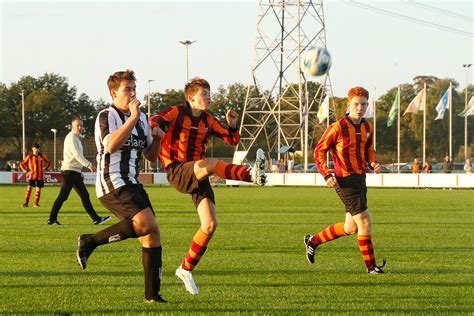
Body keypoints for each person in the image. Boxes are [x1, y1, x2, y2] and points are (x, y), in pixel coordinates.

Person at [149, 77, 266, 295]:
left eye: (209, 94)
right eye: (204, 94)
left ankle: (185, 268)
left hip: (198, 174)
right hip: (177, 170)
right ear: (191, 97)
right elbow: (155, 118)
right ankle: (252, 175)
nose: (209, 97)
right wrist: (155, 128)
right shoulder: (176, 112)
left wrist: (232, 125)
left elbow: (231, 140)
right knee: (211, 164)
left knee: (210, 224)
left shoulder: (208, 119)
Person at [75, 70, 166, 303]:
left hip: (132, 182)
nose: (134, 93)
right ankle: (91, 240)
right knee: (146, 223)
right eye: (128, 89)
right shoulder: (107, 115)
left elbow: (150, 157)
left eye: (135, 88)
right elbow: (112, 145)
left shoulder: (142, 118)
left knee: (151, 234)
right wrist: (133, 117)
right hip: (112, 180)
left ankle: (152, 296)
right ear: (114, 92)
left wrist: (157, 140)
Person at [304, 86, 386, 274]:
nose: (360, 108)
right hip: (344, 181)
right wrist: (326, 174)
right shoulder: (337, 127)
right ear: (349, 105)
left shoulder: (367, 127)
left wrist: (373, 163)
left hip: (360, 179)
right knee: (365, 221)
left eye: (364, 104)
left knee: (350, 227)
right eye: (356, 104)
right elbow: (319, 151)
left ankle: (314, 240)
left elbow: (369, 150)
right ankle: (371, 267)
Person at [47, 117, 111, 225]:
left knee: (84, 195)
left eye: (81, 125)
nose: (80, 127)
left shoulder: (76, 138)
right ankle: (51, 219)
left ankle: (96, 219)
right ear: (72, 126)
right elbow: (77, 155)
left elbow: (76, 156)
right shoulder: (71, 138)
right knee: (63, 196)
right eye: (78, 125)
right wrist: (89, 165)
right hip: (69, 172)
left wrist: (79, 171)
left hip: (74, 172)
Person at [20, 143, 51, 208]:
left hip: (40, 176)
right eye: (35, 148)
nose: (36, 150)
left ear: (39, 149)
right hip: (32, 175)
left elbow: (49, 162)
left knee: (38, 190)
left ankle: (36, 204)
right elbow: (22, 164)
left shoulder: (42, 156)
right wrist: (26, 170)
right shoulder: (29, 156)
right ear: (32, 149)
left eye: (37, 148)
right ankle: (26, 203)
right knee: (29, 188)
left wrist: (46, 169)